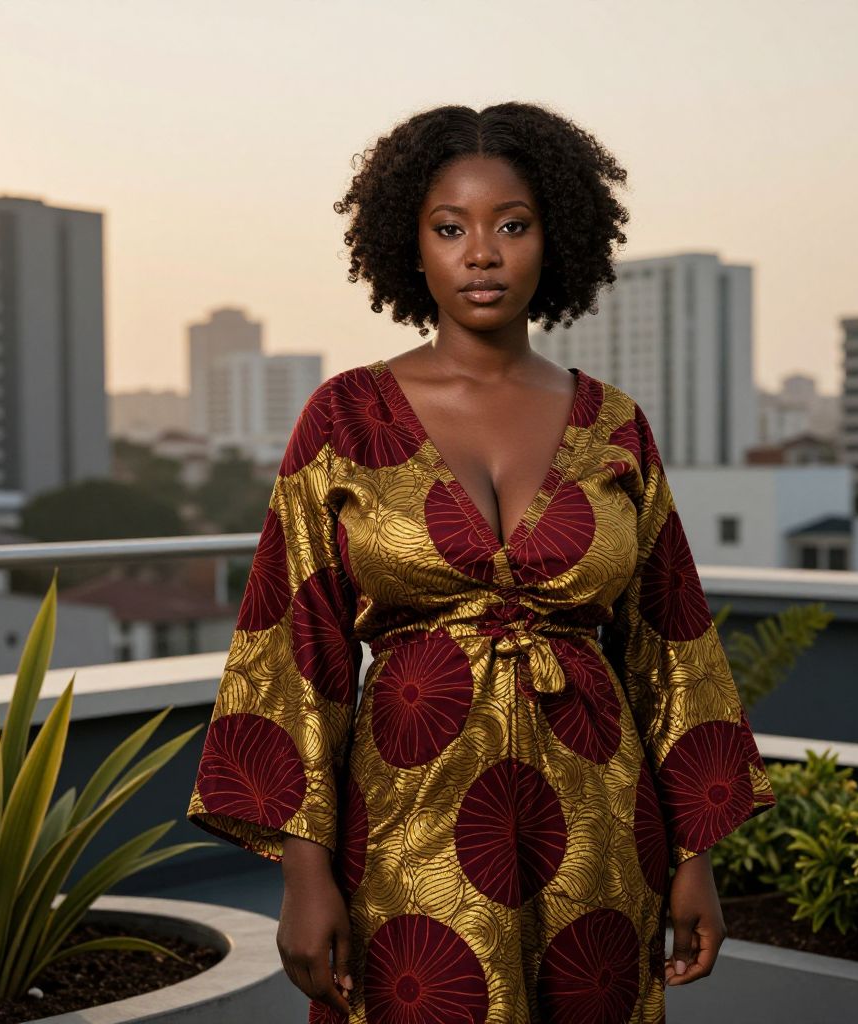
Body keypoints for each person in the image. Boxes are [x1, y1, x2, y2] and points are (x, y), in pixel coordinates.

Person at [186, 101, 777, 1024]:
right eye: (450, 228)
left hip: (602, 828)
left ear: (558, 238)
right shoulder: (344, 417)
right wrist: (305, 874)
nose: (483, 254)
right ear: (408, 246)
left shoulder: (616, 425)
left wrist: (692, 859)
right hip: (408, 826)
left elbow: (671, 645)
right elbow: (294, 648)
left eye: (512, 225)